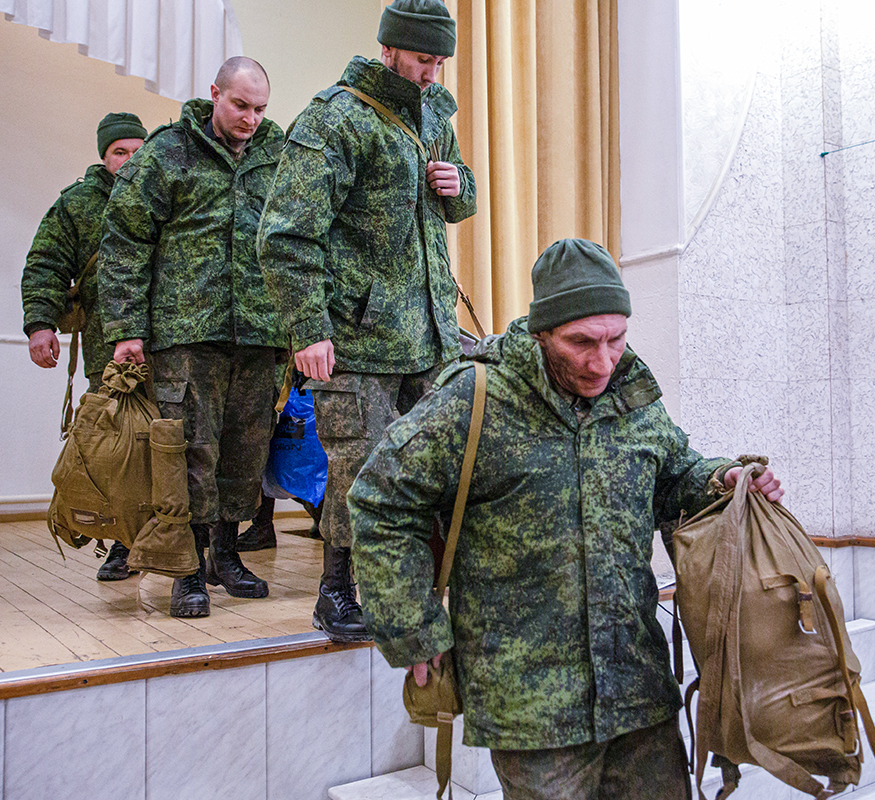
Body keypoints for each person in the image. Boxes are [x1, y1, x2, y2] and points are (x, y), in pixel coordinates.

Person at [347, 239, 784, 800]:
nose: (603, 362)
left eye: (616, 339)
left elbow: (675, 473)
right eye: (582, 343)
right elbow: (382, 500)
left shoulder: (632, 394)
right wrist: (412, 624)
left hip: (637, 687)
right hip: (531, 706)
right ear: (541, 332)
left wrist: (722, 478)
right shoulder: (475, 398)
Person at [258, 0, 476, 641]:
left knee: (428, 469)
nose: (432, 73)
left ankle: (408, 593)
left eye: (440, 61)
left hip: (430, 333)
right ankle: (335, 592)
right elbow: (287, 236)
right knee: (361, 467)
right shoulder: (338, 119)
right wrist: (309, 329)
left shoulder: (435, 111)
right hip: (357, 338)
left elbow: (461, 202)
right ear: (389, 48)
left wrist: (453, 184)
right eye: (421, 60)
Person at [99, 57, 287, 618]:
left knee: (246, 450)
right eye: (240, 106)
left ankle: (225, 556)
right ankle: (187, 568)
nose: (251, 119)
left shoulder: (281, 159)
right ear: (214, 95)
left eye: (260, 109)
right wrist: (126, 329)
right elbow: (124, 240)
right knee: (189, 453)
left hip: (259, 335)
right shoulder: (166, 154)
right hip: (186, 335)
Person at [22, 111, 147, 582]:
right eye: (121, 152)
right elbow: (46, 263)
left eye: (139, 150)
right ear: (103, 155)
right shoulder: (77, 205)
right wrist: (40, 325)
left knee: (177, 447)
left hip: (172, 346)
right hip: (107, 349)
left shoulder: (165, 194)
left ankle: (187, 547)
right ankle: (121, 542)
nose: (131, 160)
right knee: (113, 451)